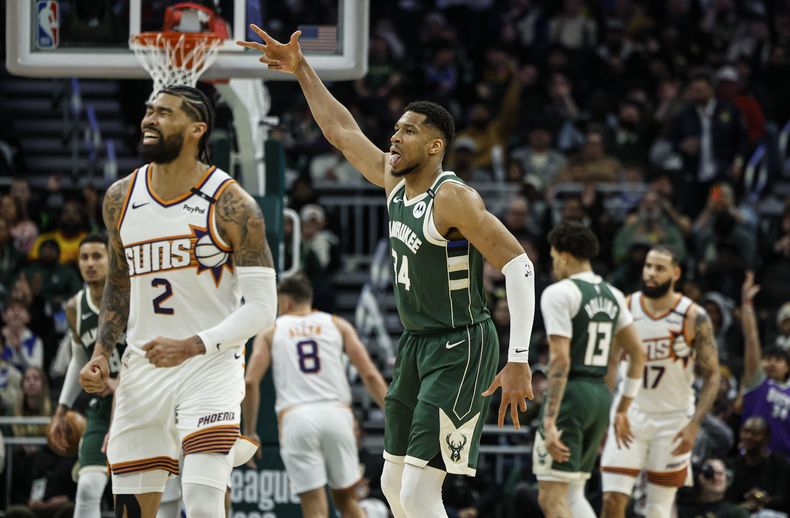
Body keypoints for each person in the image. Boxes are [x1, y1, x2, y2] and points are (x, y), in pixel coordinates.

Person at [238, 27, 536, 518]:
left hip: (461, 344)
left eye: (408, 131)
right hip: (417, 342)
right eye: (395, 129)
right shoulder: (392, 182)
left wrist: (519, 358)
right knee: (393, 484)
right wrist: (300, 69)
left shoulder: (453, 198)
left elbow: (520, 265)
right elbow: (341, 131)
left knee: (420, 492)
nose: (394, 137)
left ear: (436, 145)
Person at [78, 85, 277, 517]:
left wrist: (190, 345)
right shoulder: (119, 198)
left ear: (196, 129)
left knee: (204, 501)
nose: (149, 119)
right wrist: (101, 352)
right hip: (142, 371)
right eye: (148, 111)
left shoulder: (232, 203)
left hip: (209, 366)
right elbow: (119, 281)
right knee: (132, 510)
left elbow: (263, 308)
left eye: (164, 113)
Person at [243, 275, 389, 518]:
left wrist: (250, 430)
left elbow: (250, 381)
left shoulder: (272, 331)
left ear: (286, 301)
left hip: (297, 417)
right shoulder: (337, 324)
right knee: (346, 501)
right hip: (338, 416)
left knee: (313, 508)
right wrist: (392, 415)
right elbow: (370, 374)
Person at [532, 221, 645, 518]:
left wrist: (549, 419)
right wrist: (620, 407)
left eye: (554, 257)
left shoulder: (559, 292)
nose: (553, 264)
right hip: (599, 395)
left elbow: (560, 359)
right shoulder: (614, 295)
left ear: (565, 255)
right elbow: (635, 353)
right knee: (573, 492)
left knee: (551, 497)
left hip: (571, 394)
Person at [600, 245, 721, 518]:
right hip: (629, 415)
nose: (651, 273)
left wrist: (694, 425)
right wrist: (608, 412)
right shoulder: (627, 307)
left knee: (658, 509)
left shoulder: (693, 316)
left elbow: (713, 375)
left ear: (675, 273)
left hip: (673, 420)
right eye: (648, 266)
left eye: (659, 268)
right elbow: (610, 363)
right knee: (611, 500)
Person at [50, 235, 126, 518]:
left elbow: (147, 351)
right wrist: (62, 409)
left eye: (97, 256)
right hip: (102, 407)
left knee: (139, 492)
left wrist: (121, 382)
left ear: (111, 260)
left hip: (139, 400)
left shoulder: (130, 298)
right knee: (87, 488)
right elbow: (79, 359)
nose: (90, 263)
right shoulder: (74, 307)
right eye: (84, 257)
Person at [739, 272, 790, 457]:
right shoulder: (757, 382)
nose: (771, 364)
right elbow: (751, 339)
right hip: (752, 459)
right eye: (767, 359)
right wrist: (747, 304)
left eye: (778, 360)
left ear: (787, 367)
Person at [726, 416, 790, 515]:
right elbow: (726, 500)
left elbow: (784, 499)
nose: (748, 436)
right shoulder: (732, 465)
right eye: (746, 431)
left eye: (755, 434)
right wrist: (743, 507)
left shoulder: (780, 464)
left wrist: (762, 500)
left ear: (766, 437)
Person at [676, 458, 748, 518]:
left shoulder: (736, 513)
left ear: (727, 479)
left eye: (720, 474)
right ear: (700, 477)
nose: (715, 477)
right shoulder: (683, 510)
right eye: (710, 473)